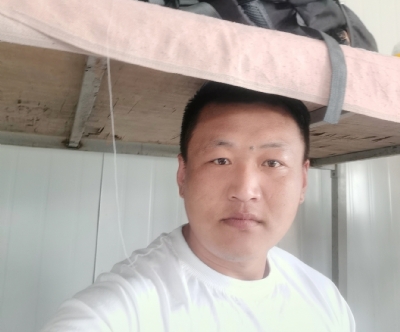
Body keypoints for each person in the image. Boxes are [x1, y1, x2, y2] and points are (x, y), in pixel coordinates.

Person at [42, 82, 355, 331]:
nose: (245, 191)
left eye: (273, 162)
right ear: (183, 174)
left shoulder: (325, 299)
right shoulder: (118, 310)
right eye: (220, 160)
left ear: (303, 180)